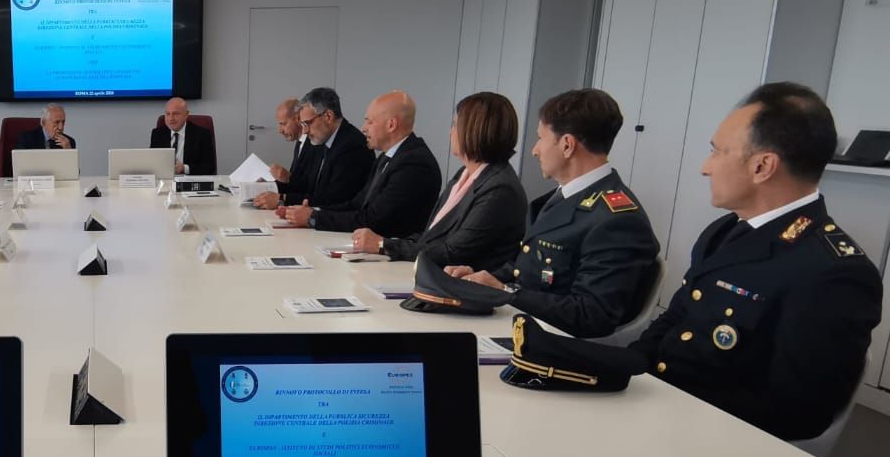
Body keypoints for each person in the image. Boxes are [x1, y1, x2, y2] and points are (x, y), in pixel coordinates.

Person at [629, 82, 882, 441]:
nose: (705, 167)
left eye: (716, 152)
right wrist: (623, 370)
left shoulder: (834, 272)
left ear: (762, 166)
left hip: (715, 439)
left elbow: (798, 412)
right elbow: (677, 317)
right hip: (658, 408)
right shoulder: (725, 231)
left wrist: (666, 407)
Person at [448, 89, 660, 339]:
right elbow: (524, 270)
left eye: (541, 138)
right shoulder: (561, 198)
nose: (535, 150)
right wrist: (480, 279)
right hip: (523, 325)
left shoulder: (618, 220)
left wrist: (506, 292)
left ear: (567, 145)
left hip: (556, 344)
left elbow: (591, 316)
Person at [351, 92, 526, 271]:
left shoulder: (499, 189)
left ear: (476, 130)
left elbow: (453, 252)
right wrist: (388, 243)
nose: (450, 132)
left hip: (458, 283)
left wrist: (383, 245)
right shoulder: (465, 173)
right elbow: (431, 235)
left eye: (455, 125)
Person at [277, 91, 442, 236]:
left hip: (393, 254)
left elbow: (374, 220)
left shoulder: (414, 164)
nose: (363, 128)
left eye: (369, 121)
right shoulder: (387, 157)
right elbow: (357, 204)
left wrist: (313, 218)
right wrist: (312, 211)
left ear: (391, 125)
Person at [253, 87, 373, 209]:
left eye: (307, 123)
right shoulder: (324, 138)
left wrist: (283, 199)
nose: (305, 131)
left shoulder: (352, 146)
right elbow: (308, 186)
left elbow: (334, 200)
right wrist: (270, 188)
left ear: (328, 116)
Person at [148, 97, 217, 175]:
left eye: (175, 114)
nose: (171, 118)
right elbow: (152, 163)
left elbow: (209, 167)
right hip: (165, 179)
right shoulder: (157, 134)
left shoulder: (202, 134)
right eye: (168, 114)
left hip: (190, 179)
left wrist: (184, 168)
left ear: (186, 115)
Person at [267, 97, 319, 194]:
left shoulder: (315, 143)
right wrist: (268, 185)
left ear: (298, 118)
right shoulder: (300, 142)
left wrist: (288, 178)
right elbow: (294, 183)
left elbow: (312, 187)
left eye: (283, 124)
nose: (280, 130)